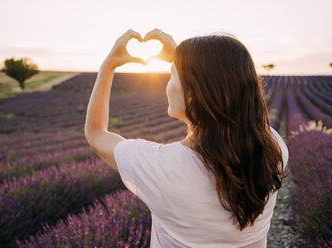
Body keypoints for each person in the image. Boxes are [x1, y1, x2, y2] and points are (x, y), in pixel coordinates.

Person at [84, 28, 289, 248]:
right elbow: (235, 102)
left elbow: (96, 133)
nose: (168, 82)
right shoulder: (273, 148)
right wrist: (186, 57)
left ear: (194, 92)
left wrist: (108, 66)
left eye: (173, 74)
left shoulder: (166, 167)